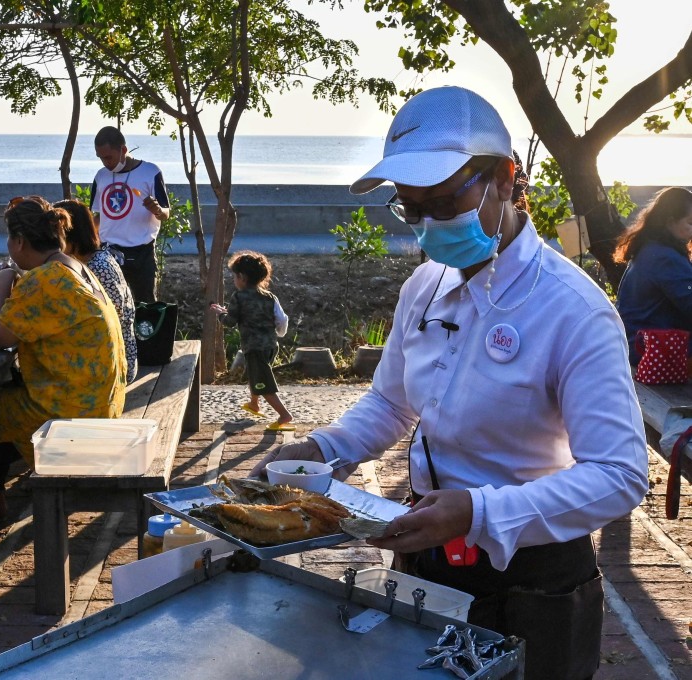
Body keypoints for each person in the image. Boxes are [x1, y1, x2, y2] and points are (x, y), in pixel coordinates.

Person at [250, 86, 648, 679]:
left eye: (443, 203)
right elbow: (392, 401)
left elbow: (619, 476)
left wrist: (477, 513)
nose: (429, 226)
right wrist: (325, 449)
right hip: (430, 557)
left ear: (506, 180)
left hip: (533, 577)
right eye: (412, 209)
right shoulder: (426, 286)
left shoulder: (573, 310)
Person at [0, 196, 128, 520]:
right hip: (101, 405)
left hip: (73, 417)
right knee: (2, 405)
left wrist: (4, 281)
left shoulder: (44, 280)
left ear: (18, 241)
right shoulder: (74, 268)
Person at [55, 198, 139, 384]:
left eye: (57, 235)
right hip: (108, 358)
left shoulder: (99, 267)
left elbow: (108, 322)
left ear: (71, 235)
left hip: (116, 365)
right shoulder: (90, 260)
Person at [210, 251, 293, 431]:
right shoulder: (270, 297)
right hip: (271, 345)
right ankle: (254, 404)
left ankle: (284, 415)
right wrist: (278, 334)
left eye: (234, 276)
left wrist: (221, 314)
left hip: (254, 347)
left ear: (242, 277)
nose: (234, 280)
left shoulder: (238, 297)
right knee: (255, 374)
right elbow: (282, 319)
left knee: (264, 384)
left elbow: (230, 322)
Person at [90, 126, 170, 303]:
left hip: (142, 253)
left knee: (146, 306)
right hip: (108, 252)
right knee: (109, 305)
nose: (105, 162)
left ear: (123, 150)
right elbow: (99, 216)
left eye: (108, 157)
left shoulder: (150, 172)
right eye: (101, 158)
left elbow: (165, 213)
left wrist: (157, 210)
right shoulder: (101, 176)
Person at [613, 187, 692, 362]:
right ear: (670, 222)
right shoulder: (665, 257)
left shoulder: (650, 249)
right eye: (690, 223)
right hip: (651, 349)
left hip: (637, 343)